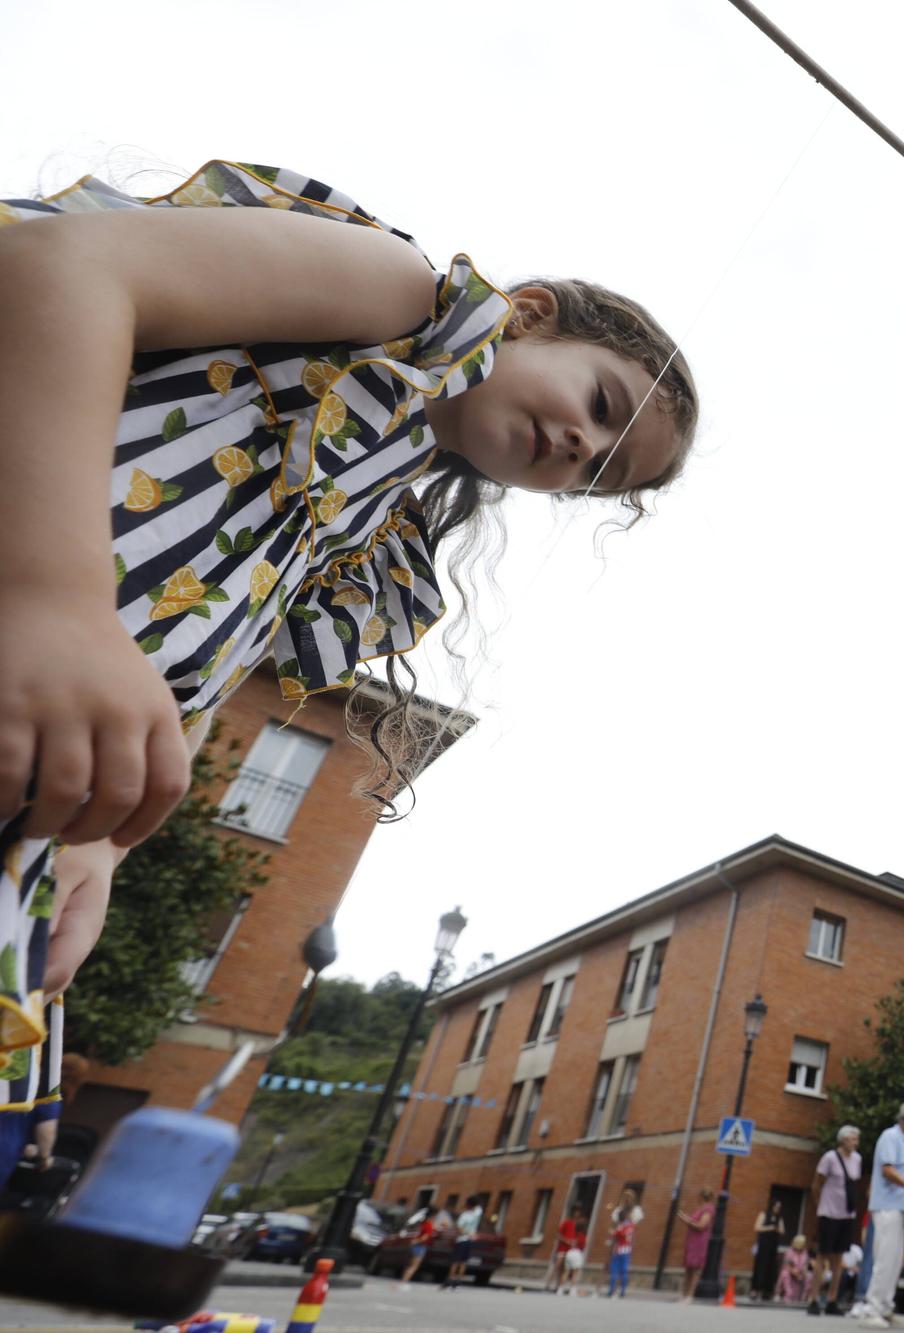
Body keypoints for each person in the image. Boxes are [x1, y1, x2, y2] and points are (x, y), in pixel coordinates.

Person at [0, 159, 700, 1160]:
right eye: (598, 401)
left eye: (597, 471)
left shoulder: (370, 525)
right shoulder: (396, 295)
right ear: (530, 313)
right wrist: (52, 595)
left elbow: (215, 640)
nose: (579, 446)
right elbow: (60, 267)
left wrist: (99, 844)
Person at [853, 1103, 904, 1328]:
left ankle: (884, 1306)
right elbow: (888, 1169)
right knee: (884, 1258)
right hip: (887, 1206)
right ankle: (871, 1307)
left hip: (899, 1207)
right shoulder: (890, 1137)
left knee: (894, 1260)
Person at [809, 1125, 865, 1315]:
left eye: (856, 1139)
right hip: (828, 1213)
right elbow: (816, 1184)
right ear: (842, 1140)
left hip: (847, 1214)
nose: (855, 1143)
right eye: (851, 1139)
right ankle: (814, 1299)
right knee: (822, 1256)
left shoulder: (857, 1159)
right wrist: (820, 1206)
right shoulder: (830, 1157)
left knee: (839, 1257)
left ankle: (832, 1299)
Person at [678, 1187, 716, 1303]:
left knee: (695, 1269)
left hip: (699, 1241)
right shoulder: (700, 1208)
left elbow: (701, 1225)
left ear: (701, 1197)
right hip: (692, 1240)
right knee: (688, 1268)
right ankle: (684, 1295)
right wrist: (684, 1216)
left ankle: (690, 1296)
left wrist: (686, 1220)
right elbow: (694, 1221)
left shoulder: (708, 1209)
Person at [604, 1189, 643, 1299]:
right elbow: (614, 1226)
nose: (627, 1199)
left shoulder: (632, 1215)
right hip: (621, 1246)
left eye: (629, 1197)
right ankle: (616, 1291)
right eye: (625, 1197)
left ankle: (616, 1291)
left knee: (618, 1269)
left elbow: (618, 1232)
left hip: (622, 1247)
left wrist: (613, 1233)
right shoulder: (619, 1212)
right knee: (618, 1269)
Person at [443, 1196, 483, 1291]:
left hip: (462, 1239)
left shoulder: (465, 1215)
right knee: (463, 1261)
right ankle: (458, 1281)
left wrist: (467, 1233)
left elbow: (460, 1229)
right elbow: (478, 1206)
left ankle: (450, 1279)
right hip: (470, 1239)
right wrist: (472, 1234)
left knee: (456, 1261)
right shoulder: (477, 1212)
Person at [752, 1198, 786, 1302]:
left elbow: (782, 1230)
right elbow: (757, 1227)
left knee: (771, 1267)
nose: (777, 1209)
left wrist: (776, 1229)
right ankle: (756, 1289)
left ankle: (767, 1291)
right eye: (776, 1207)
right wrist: (770, 1227)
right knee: (760, 1266)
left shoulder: (779, 1218)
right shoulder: (764, 1214)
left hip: (773, 1246)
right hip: (763, 1245)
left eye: (779, 1207)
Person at [401, 1208, 436, 1287]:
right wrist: (417, 1241)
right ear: (432, 1216)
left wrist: (414, 1241)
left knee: (409, 1264)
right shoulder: (429, 1225)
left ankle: (403, 1280)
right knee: (414, 1266)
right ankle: (404, 1282)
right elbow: (425, 1237)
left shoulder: (422, 1223)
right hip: (421, 1246)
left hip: (414, 1245)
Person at [778, 1234, 814, 1303]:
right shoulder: (790, 1252)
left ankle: (804, 1297)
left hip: (800, 1273)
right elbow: (787, 1266)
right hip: (790, 1272)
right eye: (804, 1243)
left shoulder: (805, 1252)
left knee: (809, 1275)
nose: (805, 1244)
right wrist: (795, 1273)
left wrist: (803, 1273)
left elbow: (805, 1266)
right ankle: (788, 1294)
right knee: (785, 1273)